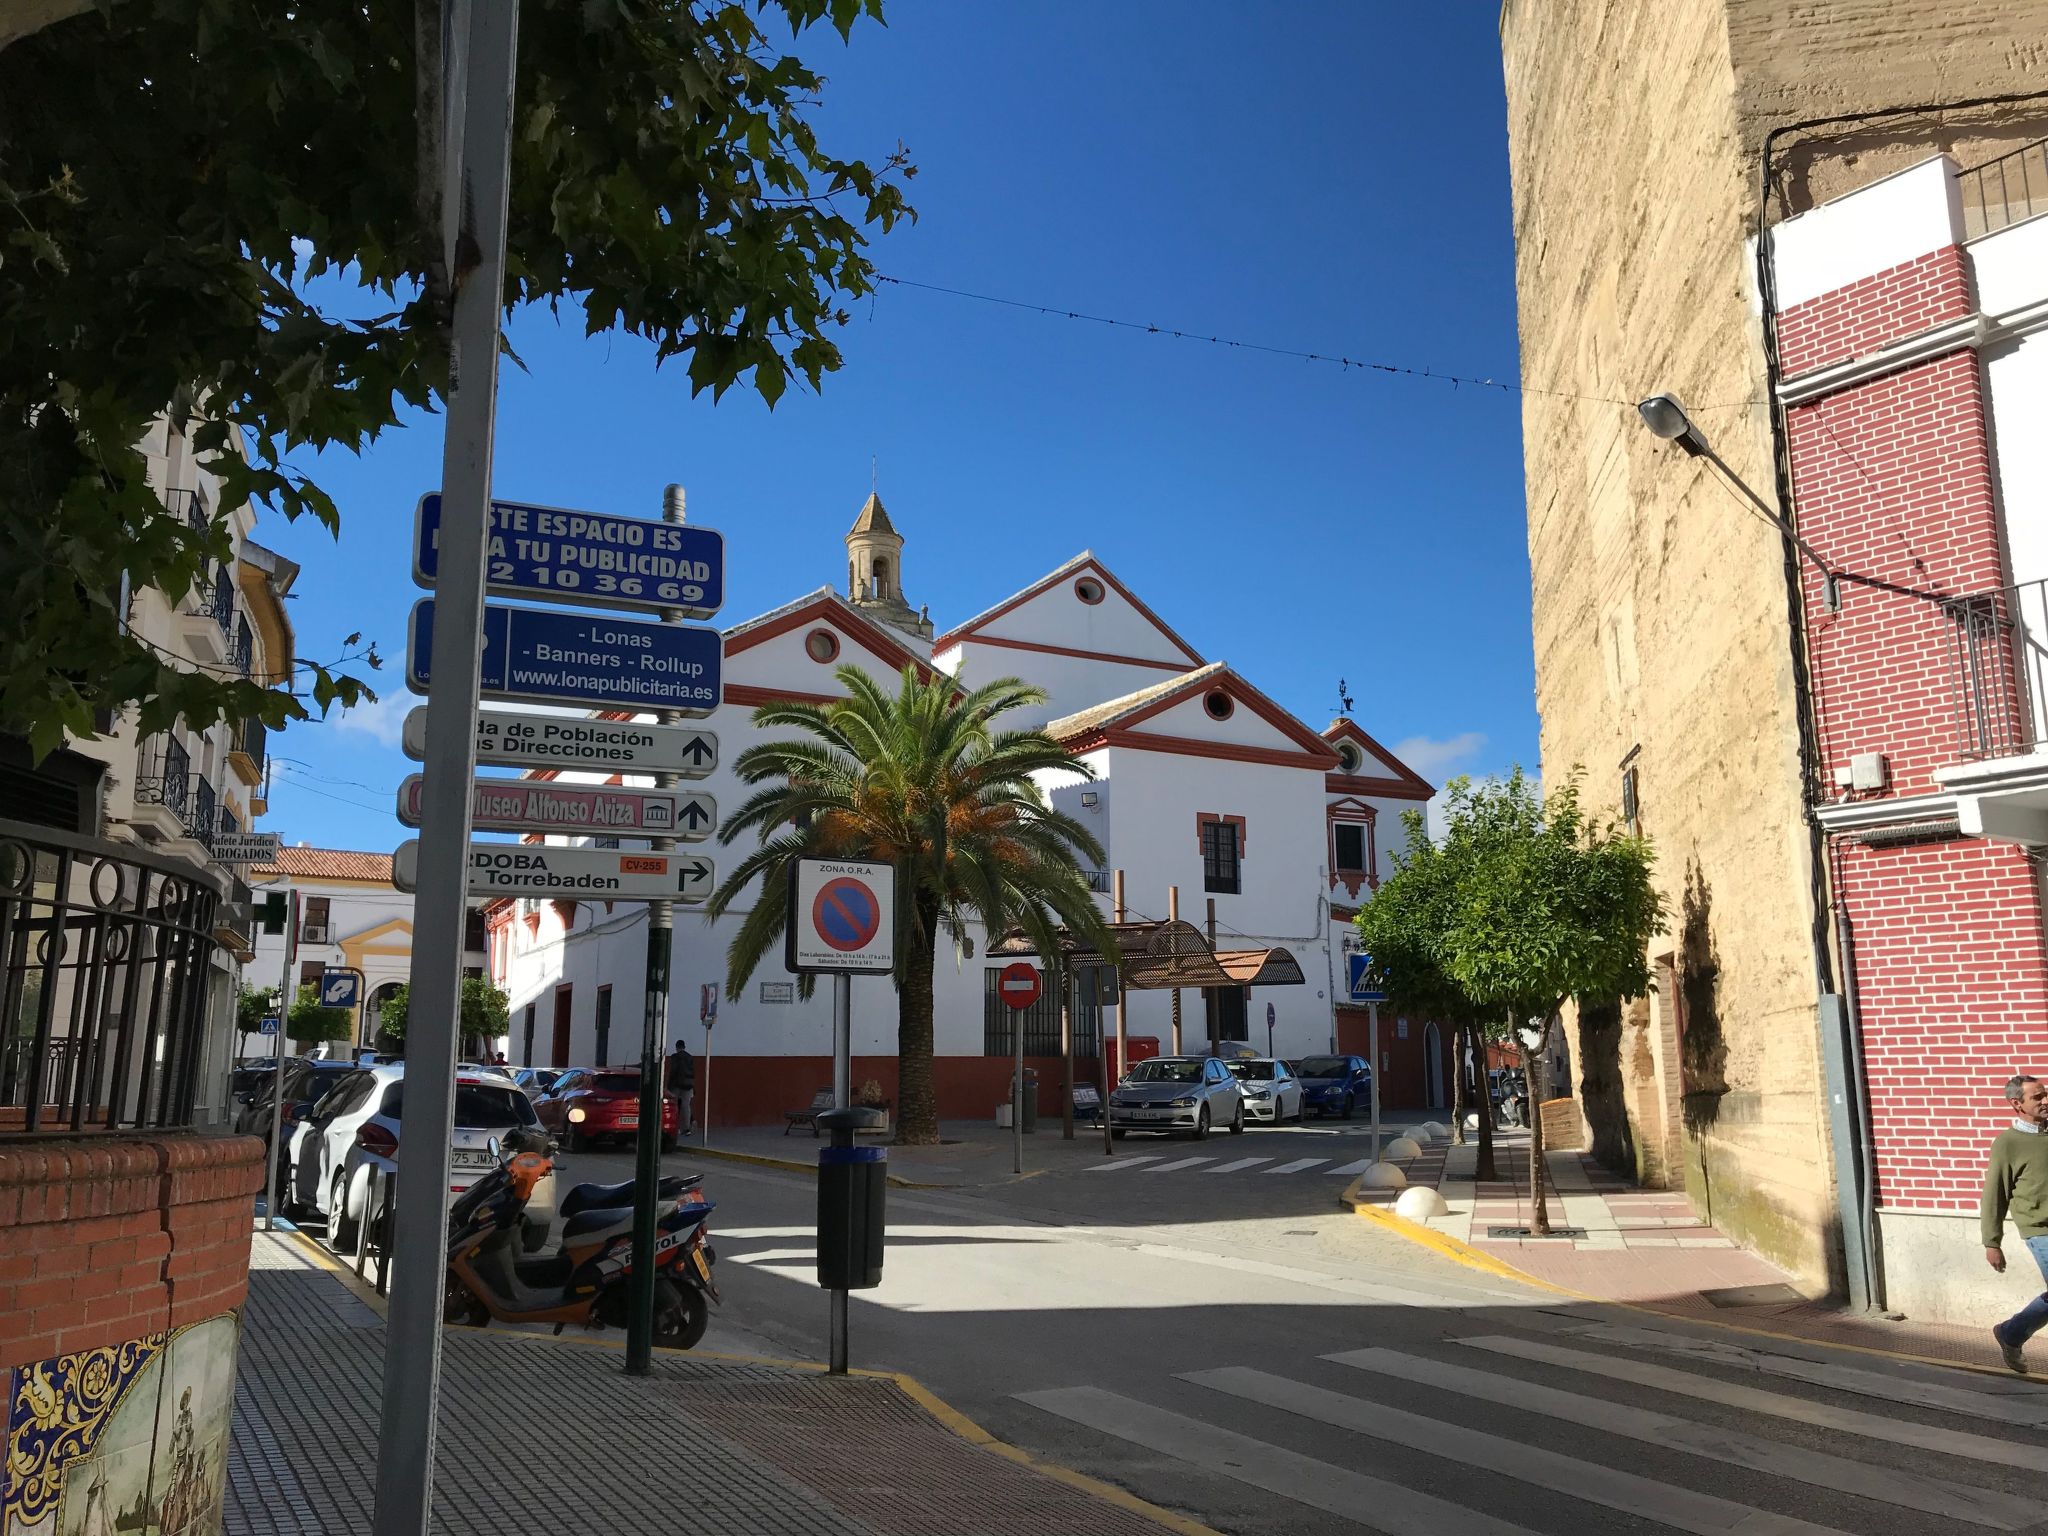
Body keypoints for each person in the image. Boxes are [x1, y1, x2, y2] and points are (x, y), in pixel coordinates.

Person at [1983, 1073, 2048, 1373]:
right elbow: (1994, 1195)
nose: (2046, 1100)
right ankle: (2011, 1334)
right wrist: (1992, 1242)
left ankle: (2011, 1333)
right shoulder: (2007, 1144)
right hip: (2040, 1230)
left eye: (2045, 1094)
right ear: (2016, 1104)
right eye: (2038, 1097)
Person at [666, 1038, 696, 1137]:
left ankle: (675, 1127)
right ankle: (687, 1128)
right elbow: (693, 1073)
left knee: (674, 1106)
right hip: (688, 1086)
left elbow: (673, 1072)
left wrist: (669, 1086)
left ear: (676, 1047)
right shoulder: (690, 1057)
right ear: (684, 1047)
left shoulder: (675, 1057)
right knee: (686, 1107)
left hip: (677, 1085)